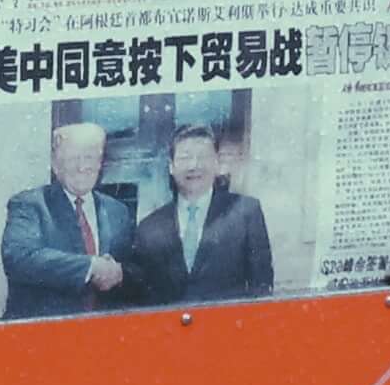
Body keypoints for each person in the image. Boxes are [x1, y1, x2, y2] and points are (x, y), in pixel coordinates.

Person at [117, 122, 275, 305]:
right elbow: (141, 295)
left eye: (203, 157)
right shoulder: (148, 228)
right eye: (185, 158)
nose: (194, 165)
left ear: (217, 163)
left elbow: (262, 286)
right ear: (171, 167)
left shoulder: (245, 211)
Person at [0, 117, 134, 320]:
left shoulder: (117, 211)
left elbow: (133, 269)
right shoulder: (29, 204)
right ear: (55, 164)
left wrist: (120, 274)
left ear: (100, 163)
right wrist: (91, 267)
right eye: (72, 158)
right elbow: (19, 258)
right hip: (42, 336)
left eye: (90, 157)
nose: (82, 166)